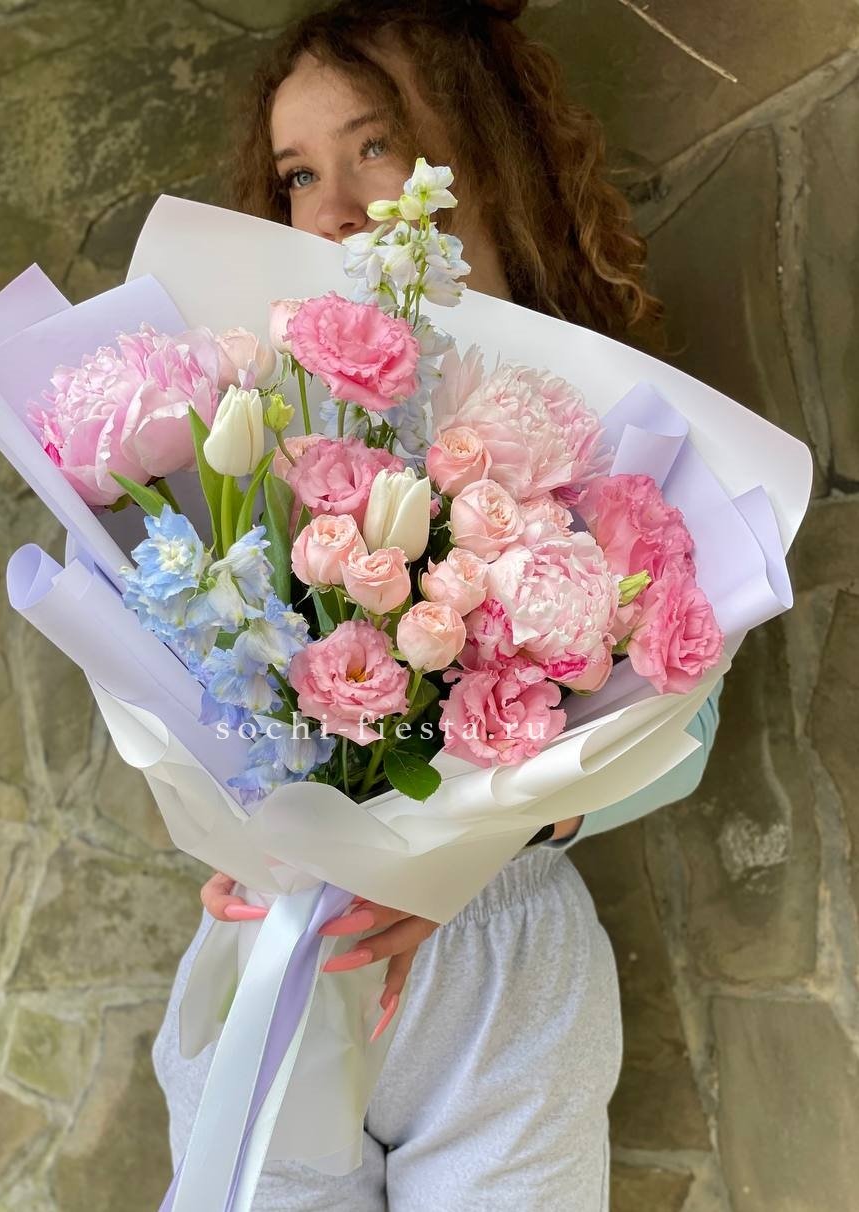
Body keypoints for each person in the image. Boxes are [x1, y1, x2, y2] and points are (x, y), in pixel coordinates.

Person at [151, 1, 723, 1207]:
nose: (331, 206)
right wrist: (234, 835)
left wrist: (484, 843)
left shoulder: (603, 424)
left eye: (373, 145)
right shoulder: (256, 430)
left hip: (499, 959)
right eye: (297, 174)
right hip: (276, 947)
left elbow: (682, 728)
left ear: (482, 150)